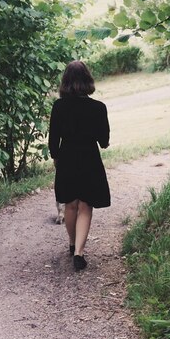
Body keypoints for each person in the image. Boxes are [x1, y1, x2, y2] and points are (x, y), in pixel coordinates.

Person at [48, 60, 111, 271]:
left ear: (65, 81)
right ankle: (79, 253)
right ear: (88, 80)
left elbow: (53, 141)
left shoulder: (58, 107)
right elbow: (103, 141)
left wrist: (56, 158)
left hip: (66, 158)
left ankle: (72, 243)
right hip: (89, 159)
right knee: (86, 205)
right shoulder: (99, 108)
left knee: (70, 205)